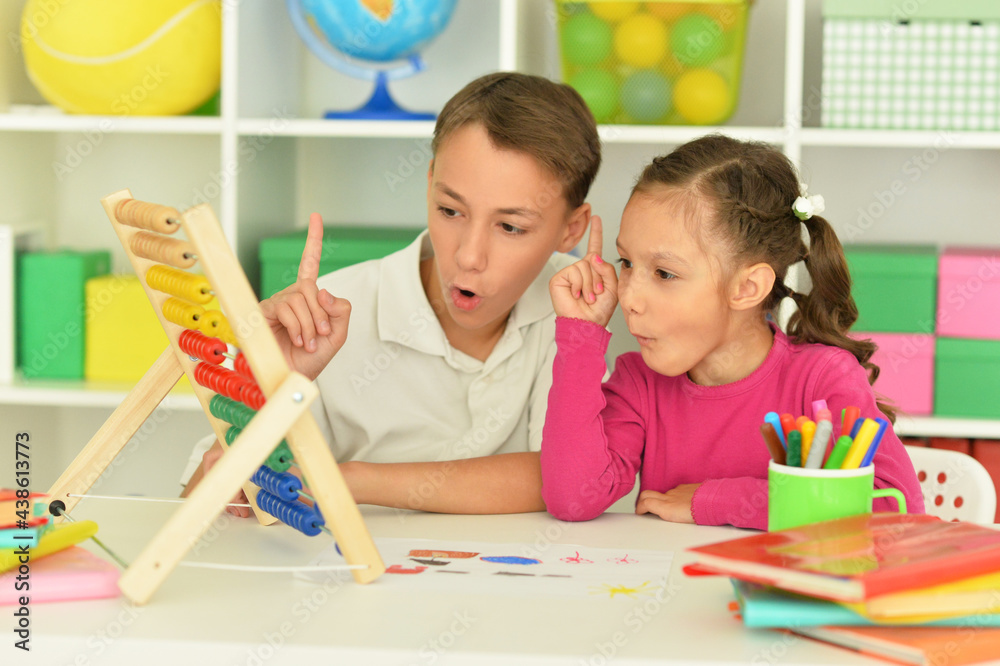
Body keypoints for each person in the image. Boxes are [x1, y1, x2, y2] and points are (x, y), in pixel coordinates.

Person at [182, 72, 602, 516]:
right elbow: (200, 506)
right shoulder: (329, 317)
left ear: (570, 229)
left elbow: (563, 478)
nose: (469, 256)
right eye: (450, 210)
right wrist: (268, 391)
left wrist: (355, 480)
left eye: (511, 227)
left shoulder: (575, 310)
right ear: (429, 183)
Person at [540, 134, 924, 530]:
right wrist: (581, 337)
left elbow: (895, 507)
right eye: (626, 262)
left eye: (664, 273)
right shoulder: (639, 384)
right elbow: (572, 498)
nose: (629, 296)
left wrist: (715, 500)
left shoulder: (822, 379)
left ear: (747, 288)